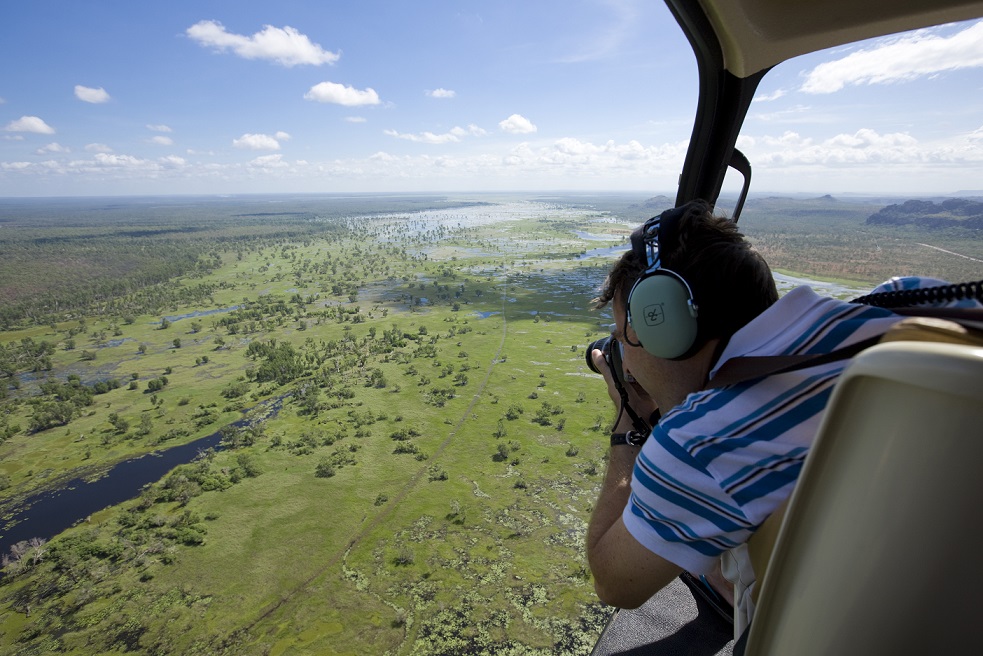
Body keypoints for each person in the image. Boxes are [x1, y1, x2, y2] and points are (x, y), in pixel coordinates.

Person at [585, 199, 947, 636]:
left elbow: (615, 584)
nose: (628, 363)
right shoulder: (908, 305)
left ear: (666, 324)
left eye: (627, 331)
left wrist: (629, 424)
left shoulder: (702, 441)